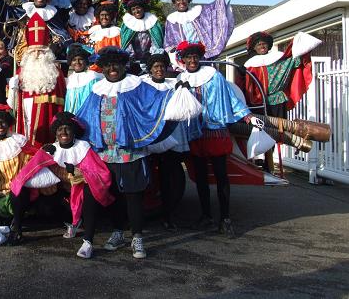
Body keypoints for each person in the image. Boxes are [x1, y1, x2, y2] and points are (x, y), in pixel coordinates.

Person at [76, 46, 176, 259]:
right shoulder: (97, 89)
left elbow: (158, 101)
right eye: (107, 65)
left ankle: (137, 237)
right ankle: (115, 233)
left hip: (132, 152)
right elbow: (83, 117)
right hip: (103, 153)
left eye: (116, 64)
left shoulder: (137, 85)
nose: (112, 68)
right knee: (111, 196)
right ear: (102, 68)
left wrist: (178, 92)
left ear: (124, 65)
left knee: (133, 196)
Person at [174, 41, 256, 238]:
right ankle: (206, 215)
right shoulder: (180, 78)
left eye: (195, 57)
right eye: (188, 57)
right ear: (183, 60)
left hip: (215, 131)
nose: (192, 60)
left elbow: (230, 97)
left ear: (199, 58)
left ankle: (225, 219)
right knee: (200, 177)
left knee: (221, 176)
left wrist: (247, 115)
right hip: (194, 134)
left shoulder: (214, 76)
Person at [9, 112, 114, 258]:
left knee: (90, 190)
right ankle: (17, 228)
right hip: (57, 196)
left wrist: (78, 172)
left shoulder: (83, 148)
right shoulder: (51, 149)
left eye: (67, 128)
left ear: (74, 131)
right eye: (59, 129)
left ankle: (88, 241)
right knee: (19, 186)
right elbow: (29, 171)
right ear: (55, 132)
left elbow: (101, 174)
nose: (63, 132)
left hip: (79, 195)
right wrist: (44, 155)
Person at [238, 31, 321, 172]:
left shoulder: (279, 59)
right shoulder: (249, 65)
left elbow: (294, 60)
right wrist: (241, 74)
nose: (262, 46)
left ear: (268, 45)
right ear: (254, 48)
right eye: (259, 44)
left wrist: (301, 45)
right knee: (257, 131)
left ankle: (269, 164)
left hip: (276, 101)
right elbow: (242, 85)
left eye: (264, 44)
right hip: (256, 103)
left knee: (275, 132)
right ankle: (257, 160)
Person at [140, 52, 191, 230]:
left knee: (168, 179)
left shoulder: (173, 85)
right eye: (156, 67)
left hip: (171, 136)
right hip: (150, 136)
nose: (159, 70)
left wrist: (185, 90)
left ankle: (168, 216)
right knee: (144, 177)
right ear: (150, 70)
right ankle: (138, 216)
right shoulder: (143, 85)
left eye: (162, 66)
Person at [8, 14, 66, 148]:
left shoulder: (56, 72)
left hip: (47, 119)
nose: (37, 54)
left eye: (41, 50)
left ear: (47, 52)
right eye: (33, 51)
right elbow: (12, 105)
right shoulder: (21, 72)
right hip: (25, 118)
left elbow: (61, 105)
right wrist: (12, 88)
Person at [164, 0, 235, 61]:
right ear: (174, 2)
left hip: (201, 55)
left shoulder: (198, 12)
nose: (181, 2)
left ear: (188, 0)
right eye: (178, 0)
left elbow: (217, 6)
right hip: (182, 59)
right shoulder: (171, 20)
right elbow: (168, 42)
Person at [0, 0, 71, 62]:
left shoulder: (54, 13)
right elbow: (5, 12)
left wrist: (57, 42)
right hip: (25, 51)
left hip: (47, 53)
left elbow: (62, 33)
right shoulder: (23, 10)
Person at [120, 0, 164, 73]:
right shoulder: (127, 24)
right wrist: (130, 59)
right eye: (133, 9)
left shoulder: (152, 22)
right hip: (132, 62)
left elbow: (156, 43)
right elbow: (126, 45)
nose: (136, 11)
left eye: (138, 8)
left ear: (143, 8)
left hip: (150, 60)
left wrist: (150, 58)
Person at [64, 43, 102, 114]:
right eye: (74, 60)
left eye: (80, 59)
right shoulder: (69, 80)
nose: (77, 62)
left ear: (86, 61)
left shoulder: (93, 77)